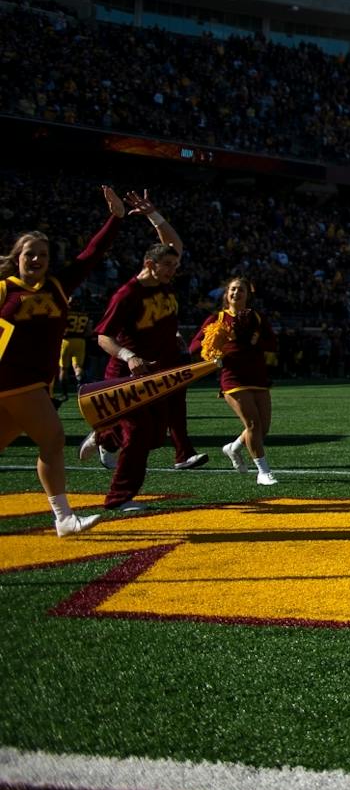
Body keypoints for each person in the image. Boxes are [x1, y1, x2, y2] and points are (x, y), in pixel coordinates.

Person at [0, 184, 128, 535]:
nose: (37, 260)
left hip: (35, 381)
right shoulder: (3, 289)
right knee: (53, 440)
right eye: (30, 254)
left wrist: (115, 219)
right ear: (17, 257)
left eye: (42, 254)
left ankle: (62, 518)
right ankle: (64, 518)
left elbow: (91, 254)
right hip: (11, 379)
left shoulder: (58, 286)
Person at [92, 198, 204, 514]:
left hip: (161, 369)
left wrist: (154, 214)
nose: (174, 269)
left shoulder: (163, 281)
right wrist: (128, 355)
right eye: (168, 265)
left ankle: (105, 437)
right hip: (130, 373)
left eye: (175, 265)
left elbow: (174, 243)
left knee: (154, 436)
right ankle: (119, 497)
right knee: (140, 434)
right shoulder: (127, 294)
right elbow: (103, 337)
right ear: (149, 264)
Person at [192, 276, 278, 486]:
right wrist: (214, 351)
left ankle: (234, 447)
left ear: (248, 295)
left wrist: (257, 341)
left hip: (257, 377)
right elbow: (194, 347)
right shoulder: (217, 319)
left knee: (262, 428)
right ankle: (263, 471)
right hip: (233, 378)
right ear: (226, 294)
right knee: (253, 424)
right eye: (232, 290)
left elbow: (274, 344)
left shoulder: (257, 317)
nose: (236, 293)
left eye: (240, 290)